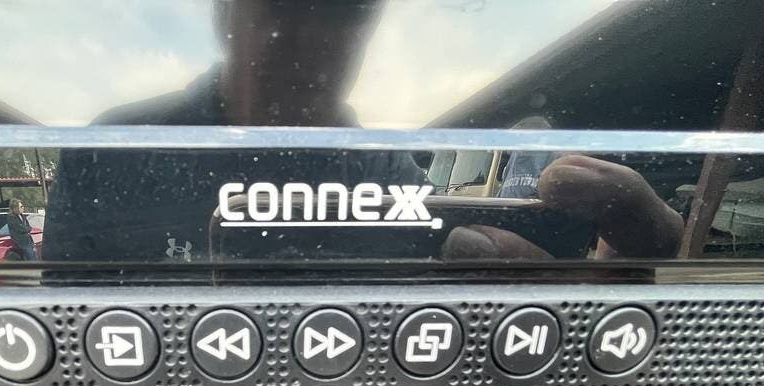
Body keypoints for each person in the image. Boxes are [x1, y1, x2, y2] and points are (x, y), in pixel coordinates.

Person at [44, 0, 682, 264]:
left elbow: (453, 293)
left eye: (342, 10)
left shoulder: (383, 170)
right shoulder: (114, 147)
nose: (311, 36)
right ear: (224, 12)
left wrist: (617, 284)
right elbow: (64, 339)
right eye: (282, 5)